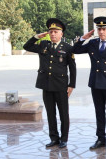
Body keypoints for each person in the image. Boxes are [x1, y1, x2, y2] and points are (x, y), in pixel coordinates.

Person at [72, 16, 106, 151]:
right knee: (99, 112)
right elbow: (75, 50)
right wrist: (83, 38)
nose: (101, 32)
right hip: (96, 83)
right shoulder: (93, 43)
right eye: (99, 29)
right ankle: (101, 139)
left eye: (104, 29)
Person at [23, 18, 76, 148]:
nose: (53, 34)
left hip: (61, 85)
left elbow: (72, 68)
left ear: (61, 34)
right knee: (50, 113)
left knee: (63, 113)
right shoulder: (44, 45)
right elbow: (27, 46)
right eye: (51, 31)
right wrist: (36, 37)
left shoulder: (67, 48)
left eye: (55, 32)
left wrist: (71, 85)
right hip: (46, 85)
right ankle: (54, 138)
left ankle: (64, 139)